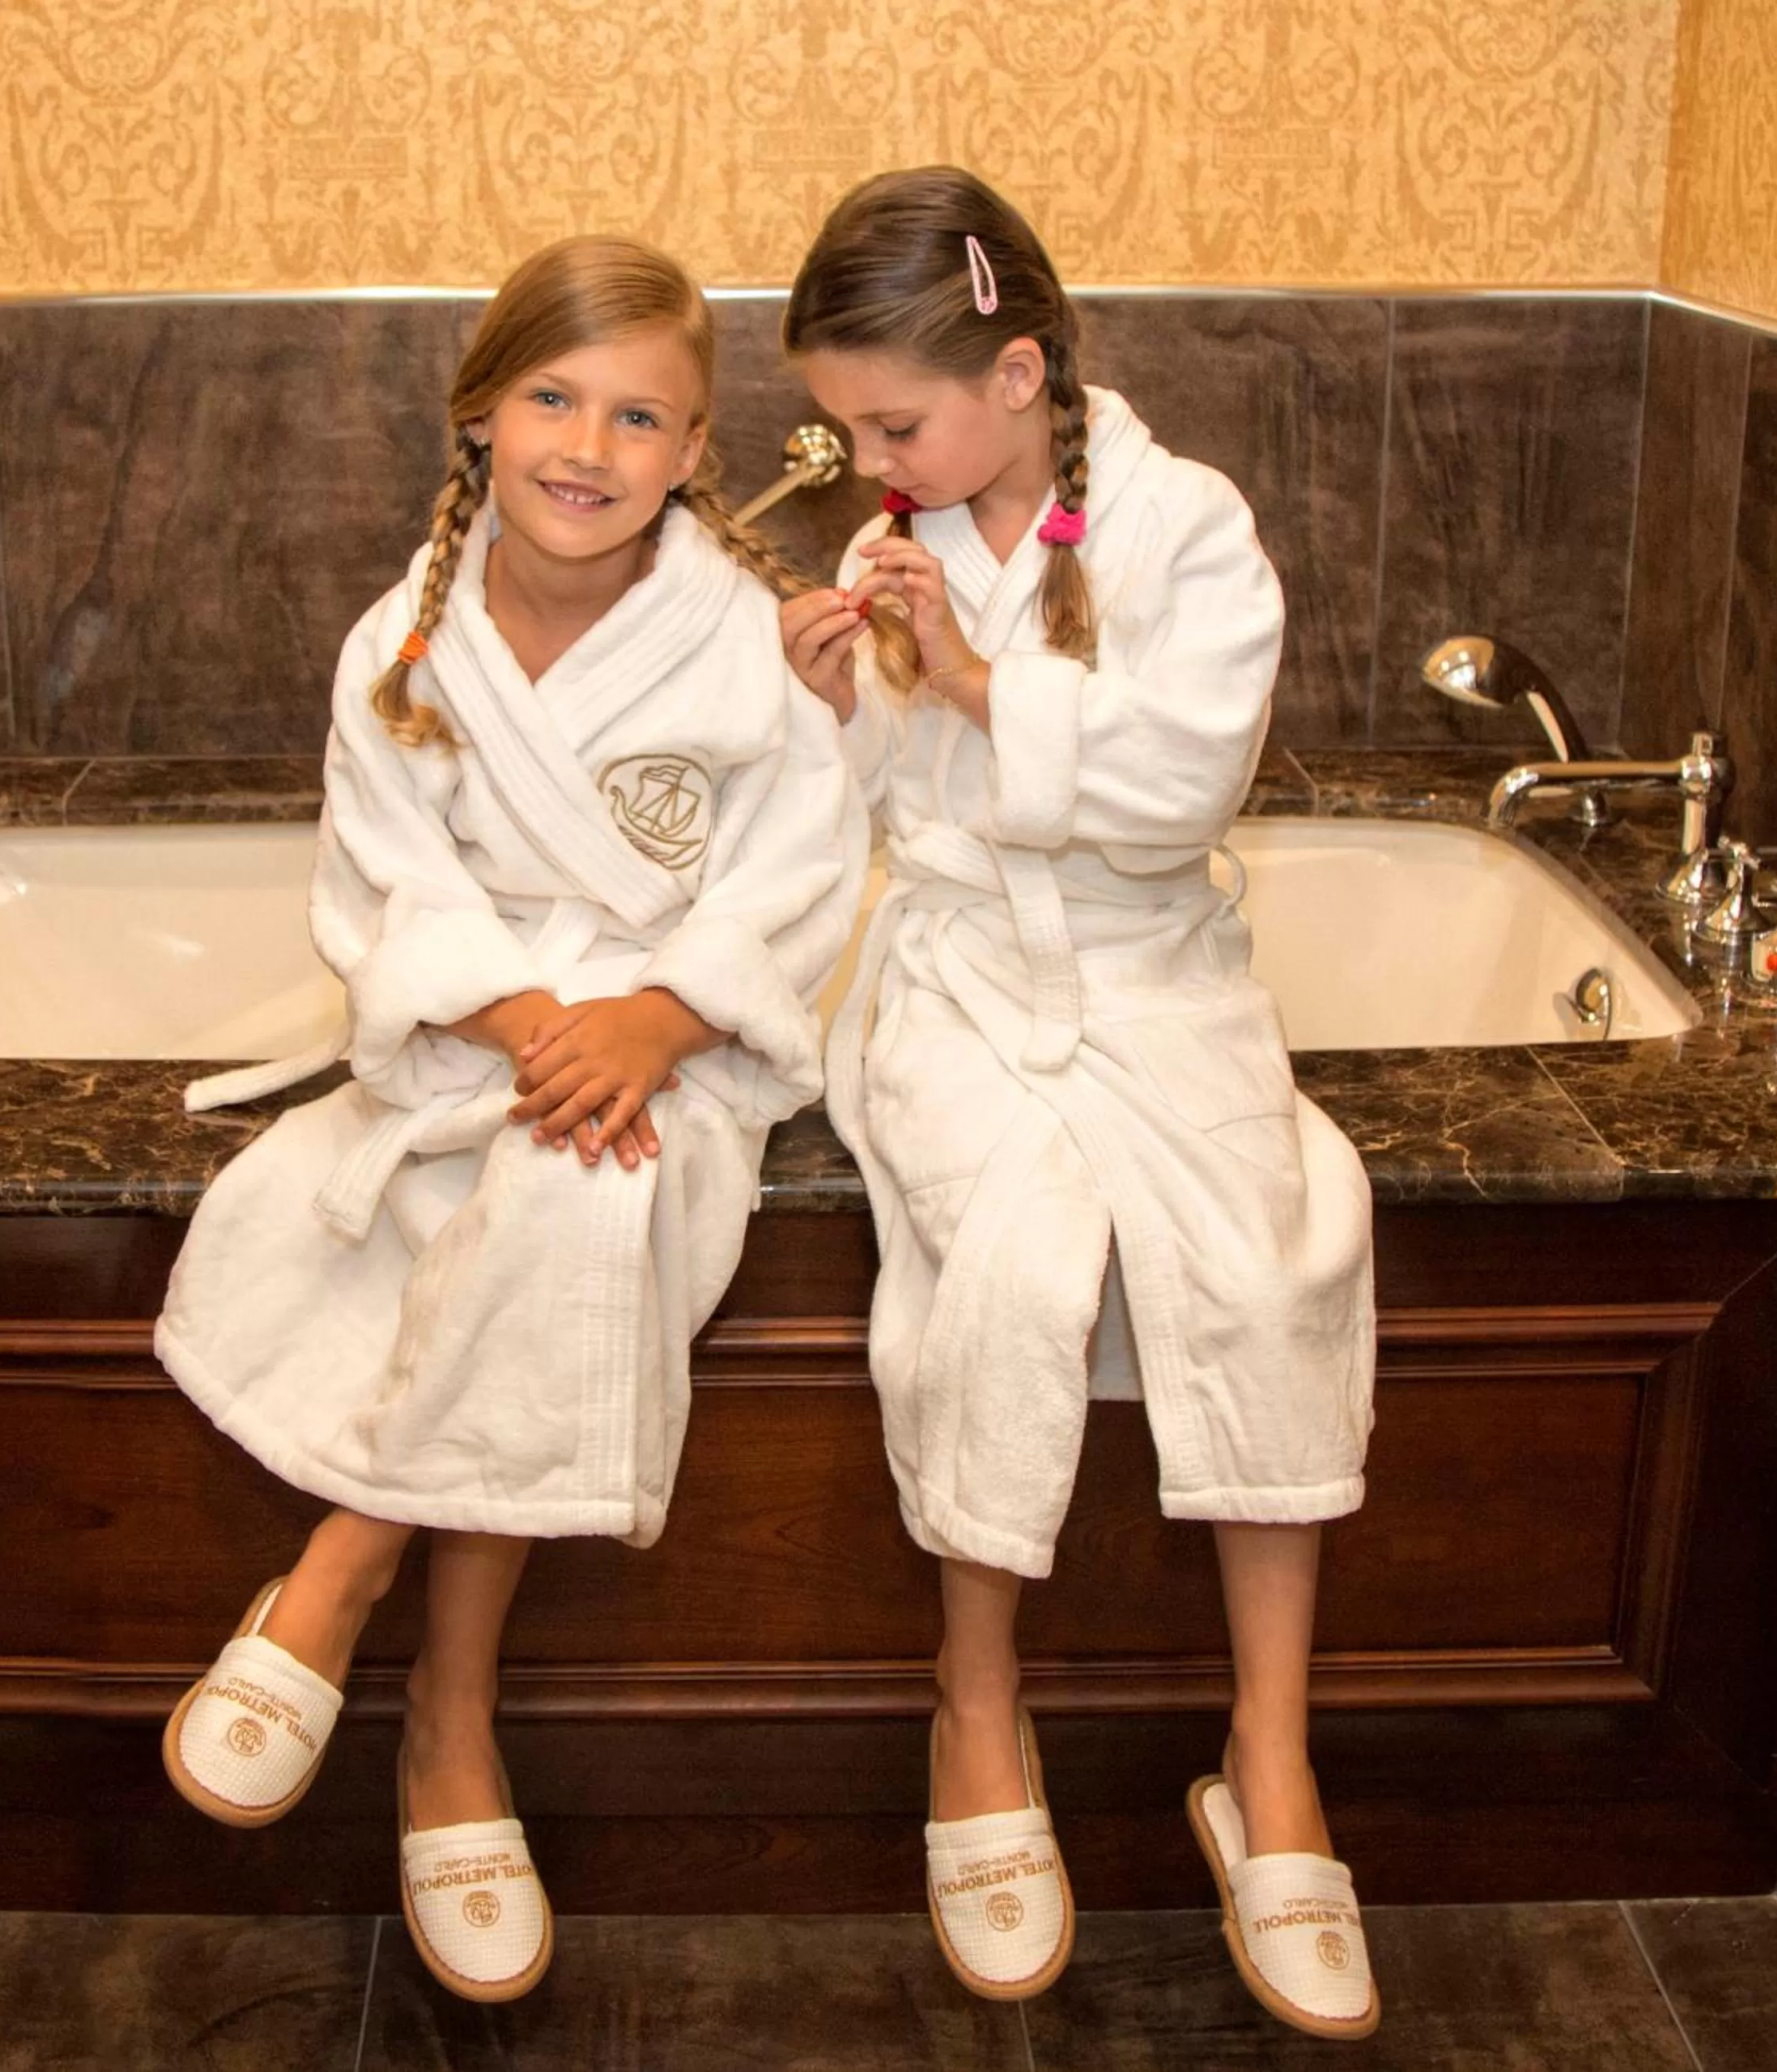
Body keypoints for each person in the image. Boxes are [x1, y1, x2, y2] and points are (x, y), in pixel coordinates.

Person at [154, 234, 867, 2005]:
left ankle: (343, 1569)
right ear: (480, 411)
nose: (589, 443)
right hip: (481, 1020)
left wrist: (654, 1013)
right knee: (544, 1173)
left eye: (641, 415)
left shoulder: (744, 641)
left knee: (573, 1177)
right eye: (553, 395)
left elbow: (808, 872)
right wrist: (533, 1015)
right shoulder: (401, 638)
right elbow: (381, 879)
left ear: (699, 450)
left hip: (671, 1038)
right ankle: (450, 1734)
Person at [779, 167, 1379, 2039]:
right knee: (1021, 1257)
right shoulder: (897, 533)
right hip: (956, 973)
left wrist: (973, 679)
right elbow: (858, 813)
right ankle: (979, 1701)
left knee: (1272, 1258)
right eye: (847, 425)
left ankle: (1267, 1762)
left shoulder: (1187, 525)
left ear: (1021, 370)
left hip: (1152, 964)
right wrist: (833, 701)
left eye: (893, 421)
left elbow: (1193, 778)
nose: (865, 458)